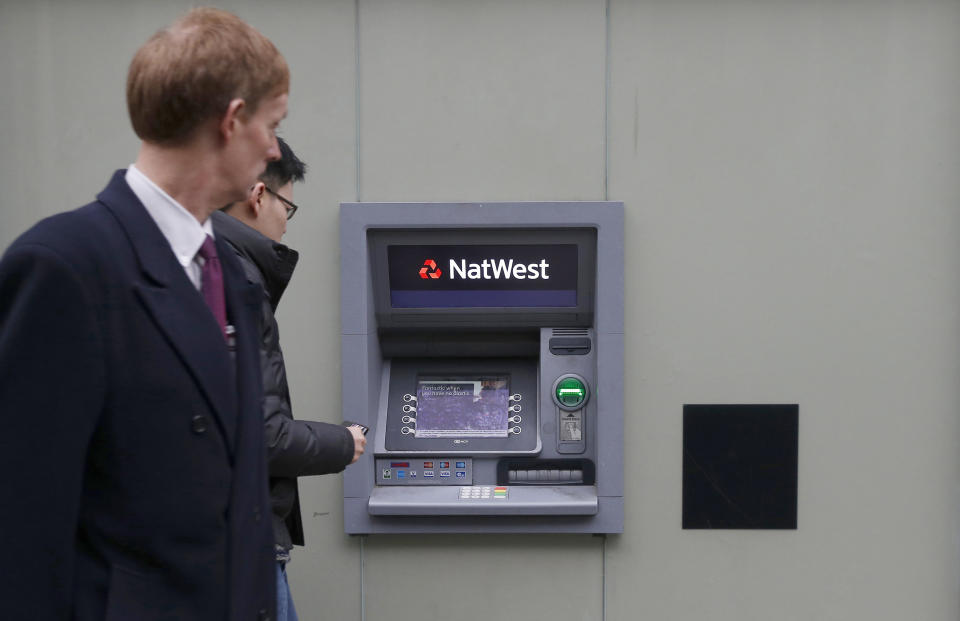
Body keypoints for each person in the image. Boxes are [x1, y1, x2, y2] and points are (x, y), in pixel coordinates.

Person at [0, 8, 289, 620]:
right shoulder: (65, 266)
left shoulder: (225, 274)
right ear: (232, 120)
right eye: (272, 124)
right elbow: (22, 522)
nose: (272, 148)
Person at [213, 137, 366, 621]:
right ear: (259, 196)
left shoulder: (198, 263)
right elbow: (263, 434)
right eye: (288, 207)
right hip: (246, 541)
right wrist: (345, 441)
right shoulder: (235, 278)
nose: (285, 221)